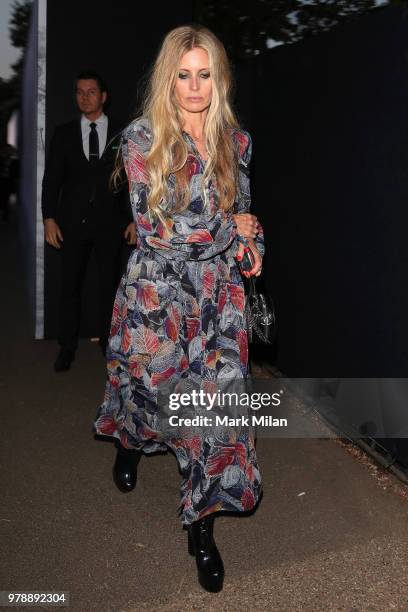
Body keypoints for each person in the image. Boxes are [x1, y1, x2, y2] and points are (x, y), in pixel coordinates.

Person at [93, 25, 265, 593]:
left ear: (219, 78)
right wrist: (227, 228)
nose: (195, 87)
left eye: (205, 74)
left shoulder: (235, 142)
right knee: (149, 401)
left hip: (217, 303)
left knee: (215, 420)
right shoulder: (142, 140)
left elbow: (244, 211)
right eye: (184, 75)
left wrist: (250, 244)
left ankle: (202, 529)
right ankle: (129, 442)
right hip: (159, 302)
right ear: (170, 79)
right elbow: (156, 230)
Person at [41, 71, 137, 371]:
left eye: (91, 91)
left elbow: (136, 180)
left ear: (103, 96)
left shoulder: (125, 133)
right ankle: (66, 347)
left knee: (109, 287)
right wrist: (49, 218)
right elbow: (51, 181)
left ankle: (110, 344)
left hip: (112, 225)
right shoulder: (64, 133)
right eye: (80, 92)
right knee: (70, 286)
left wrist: (136, 219)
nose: (85, 97)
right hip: (72, 224)